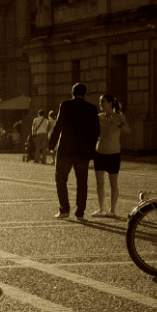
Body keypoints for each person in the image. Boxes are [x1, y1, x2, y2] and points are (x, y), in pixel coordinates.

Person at [48, 83, 100, 220]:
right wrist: (92, 149)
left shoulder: (65, 105)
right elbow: (95, 131)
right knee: (82, 182)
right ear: (85, 94)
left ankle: (64, 209)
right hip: (83, 151)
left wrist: (52, 143)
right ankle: (80, 212)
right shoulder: (91, 108)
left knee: (60, 179)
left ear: (72, 93)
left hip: (66, 149)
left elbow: (58, 125)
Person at [92, 94, 131, 218]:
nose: (100, 104)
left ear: (109, 103)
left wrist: (119, 124)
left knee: (113, 183)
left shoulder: (119, 117)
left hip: (113, 153)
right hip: (99, 152)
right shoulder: (99, 117)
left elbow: (128, 130)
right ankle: (101, 209)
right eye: (100, 102)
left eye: (102, 102)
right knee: (99, 183)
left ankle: (112, 210)